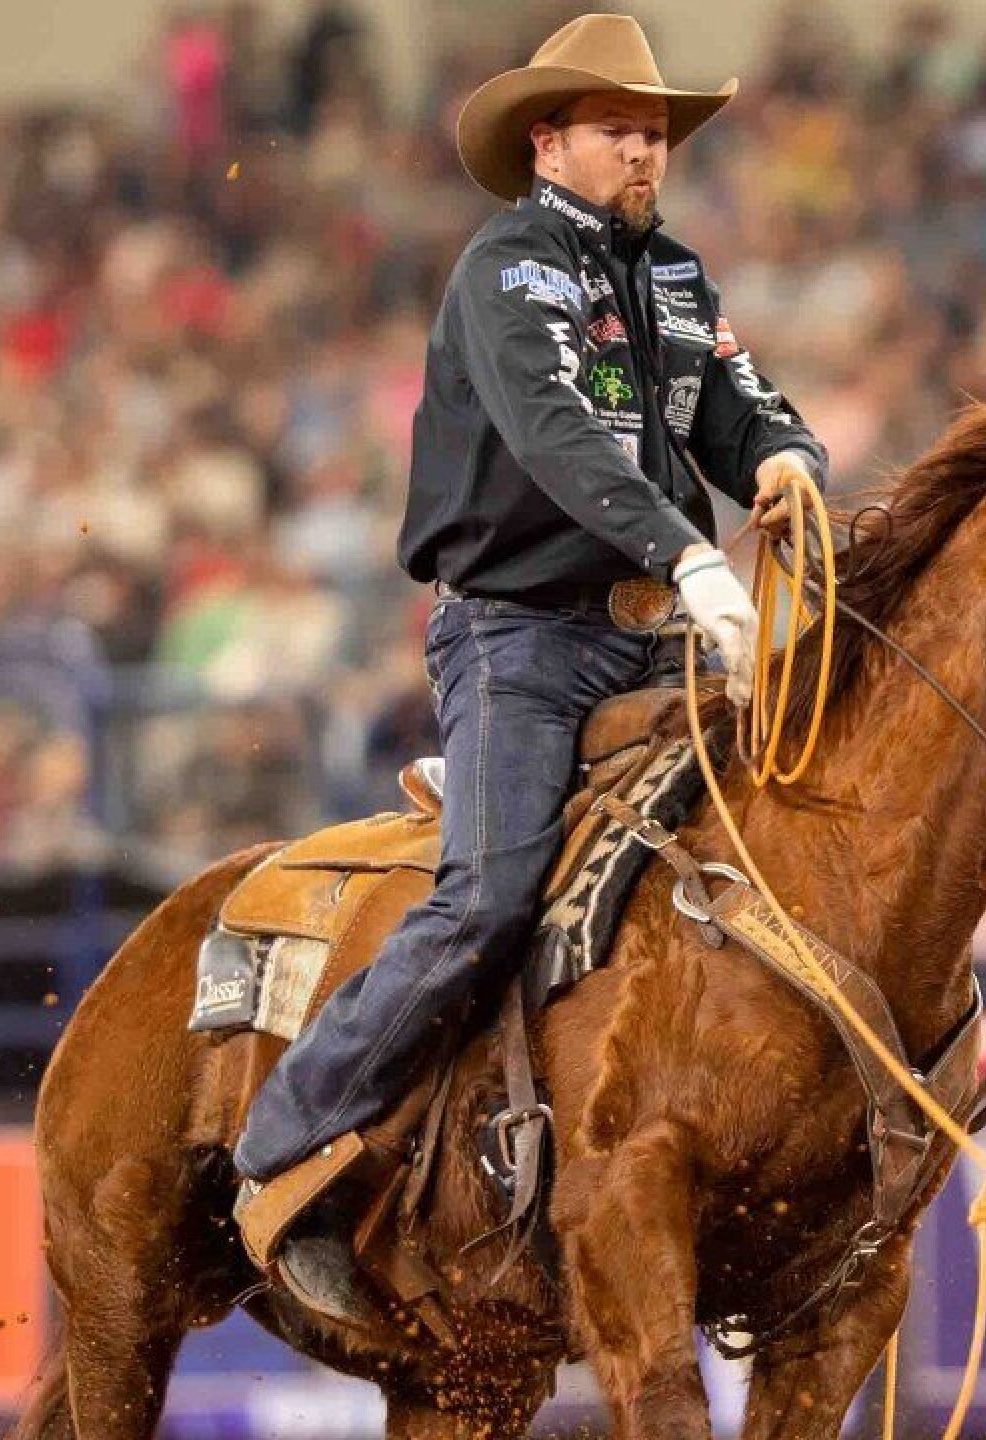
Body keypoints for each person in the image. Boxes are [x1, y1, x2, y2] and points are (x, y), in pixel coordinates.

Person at [231, 12, 826, 1315]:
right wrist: (691, 554)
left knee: (775, 839)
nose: (645, 150)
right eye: (620, 127)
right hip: (521, 637)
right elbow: (560, 432)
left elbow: (736, 399)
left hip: (652, 633)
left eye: (656, 131)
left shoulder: (672, 277)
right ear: (547, 140)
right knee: (490, 896)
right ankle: (284, 1138)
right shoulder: (505, 272)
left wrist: (786, 457)